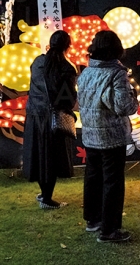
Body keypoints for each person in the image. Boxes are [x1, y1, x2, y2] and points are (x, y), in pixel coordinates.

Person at [77, 30, 138, 243]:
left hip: (90, 134)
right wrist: (134, 98)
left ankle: (93, 220)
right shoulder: (116, 73)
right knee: (113, 181)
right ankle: (109, 230)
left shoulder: (85, 73)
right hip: (111, 136)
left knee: (93, 177)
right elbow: (124, 106)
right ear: (116, 48)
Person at [23, 30, 77, 209]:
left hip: (34, 116)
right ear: (67, 46)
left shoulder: (38, 62)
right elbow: (67, 98)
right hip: (53, 118)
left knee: (38, 156)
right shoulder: (67, 67)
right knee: (52, 158)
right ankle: (47, 198)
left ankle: (44, 194)